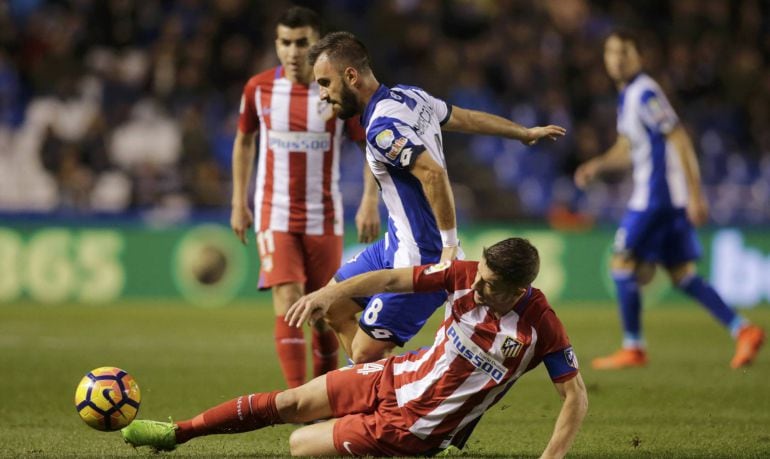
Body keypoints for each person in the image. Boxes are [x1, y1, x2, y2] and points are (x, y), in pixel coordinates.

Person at [121, 237, 588, 458]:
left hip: (414, 427)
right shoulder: (465, 275)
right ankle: (177, 433)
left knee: (300, 446)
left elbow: (574, 396)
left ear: (517, 288)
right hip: (396, 374)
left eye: (488, 282)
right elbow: (389, 278)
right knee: (292, 401)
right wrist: (330, 293)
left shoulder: (541, 327)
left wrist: (551, 458)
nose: (476, 282)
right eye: (479, 273)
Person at [307, 31, 567, 363]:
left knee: (363, 354)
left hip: (423, 256)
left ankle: (428, 374)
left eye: (325, 83)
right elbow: (466, 118)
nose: (323, 94)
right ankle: (377, 387)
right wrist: (521, 132)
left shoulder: (383, 129)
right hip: (395, 243)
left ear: (351, 76)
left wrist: (448, 244)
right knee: (333, 305)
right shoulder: (409, 97)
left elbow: (432, 172)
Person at [574, 29, 765, 370]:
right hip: (662, 196)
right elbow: (627, 148)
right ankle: (744, 330)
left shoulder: (645, 91)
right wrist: (598, 165)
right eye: (611, 52)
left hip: (657, 196)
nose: (617, 59)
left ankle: (633, 346)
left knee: (621, 264)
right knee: (681, 274)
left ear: (639, 57)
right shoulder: (628, 95)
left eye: (625, 52)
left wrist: (696, 195)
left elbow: (678, 137)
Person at [229, 8, 381, 388]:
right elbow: (244, 140)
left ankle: (322, 396)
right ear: (276, 44)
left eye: (302, 43)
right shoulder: (259, 89)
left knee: (324, 313)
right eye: (285, 42)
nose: (293, 52)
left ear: (317, 44)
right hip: (274, 213)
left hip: (324, 216)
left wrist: (369, 201)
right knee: (288, 299)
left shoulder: (332, 91)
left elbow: (370, 146)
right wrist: (238, 201)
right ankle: (296, 399)